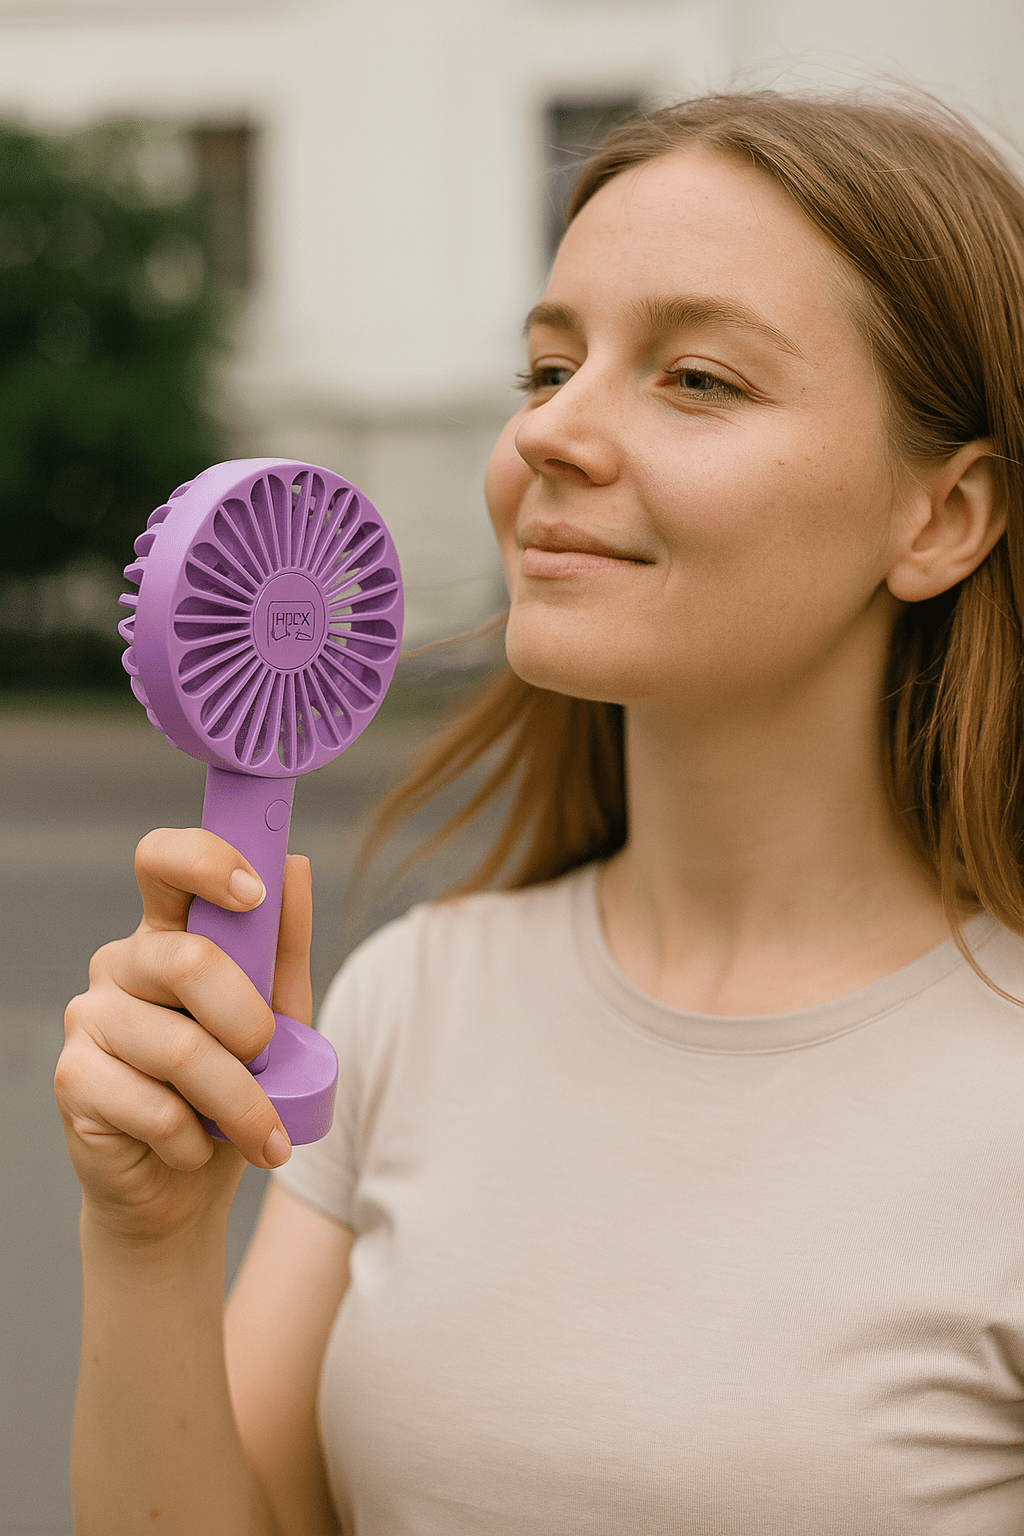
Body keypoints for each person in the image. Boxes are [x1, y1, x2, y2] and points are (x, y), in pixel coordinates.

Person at [56, 87, 1024, 1535]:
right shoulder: (410, 1005)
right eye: (547, 368)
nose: (555, 436)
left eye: (696, 379)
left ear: (940, 518)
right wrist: (149, 1245)